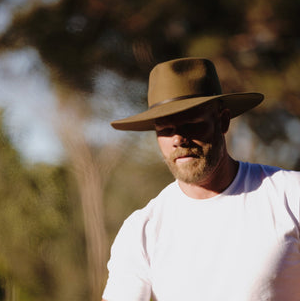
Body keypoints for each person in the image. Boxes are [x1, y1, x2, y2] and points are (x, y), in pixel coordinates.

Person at [102, 57, 300, 301]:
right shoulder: (142, 230)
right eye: (164, 129)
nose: (178, 139)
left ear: (223, 121)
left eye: (190, 123)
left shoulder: (290, 195)